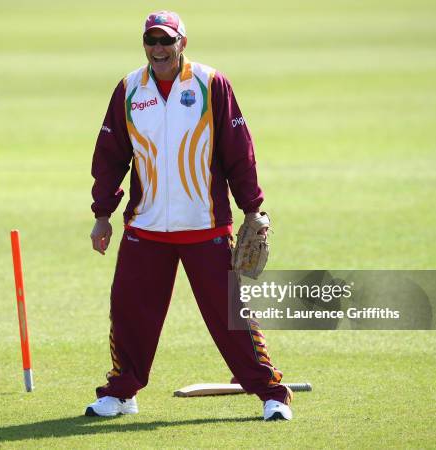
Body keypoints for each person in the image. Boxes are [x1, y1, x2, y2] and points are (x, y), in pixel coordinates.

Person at [87, 11, 293, 421]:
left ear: (183, 42)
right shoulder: (129, 89)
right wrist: (102, 213)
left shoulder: (211, 84)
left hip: (205, 225)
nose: (158, 49)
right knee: (128, 313)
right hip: (144, 228)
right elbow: (110, 156)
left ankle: (272, 394)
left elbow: (239, 150)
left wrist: (252, 209)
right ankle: (122, 393)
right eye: (151, 40)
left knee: (232, 317)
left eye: (166, 40)